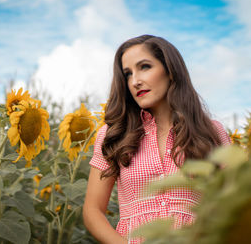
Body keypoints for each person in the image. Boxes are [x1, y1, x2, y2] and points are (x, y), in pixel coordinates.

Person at [83, 35, 231, 244]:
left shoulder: (211, 132)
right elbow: (92, 210)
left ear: (170, 71)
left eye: (145, 67)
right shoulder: (113, 135)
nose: (135, 81)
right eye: (128, 74)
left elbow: (231, 203)